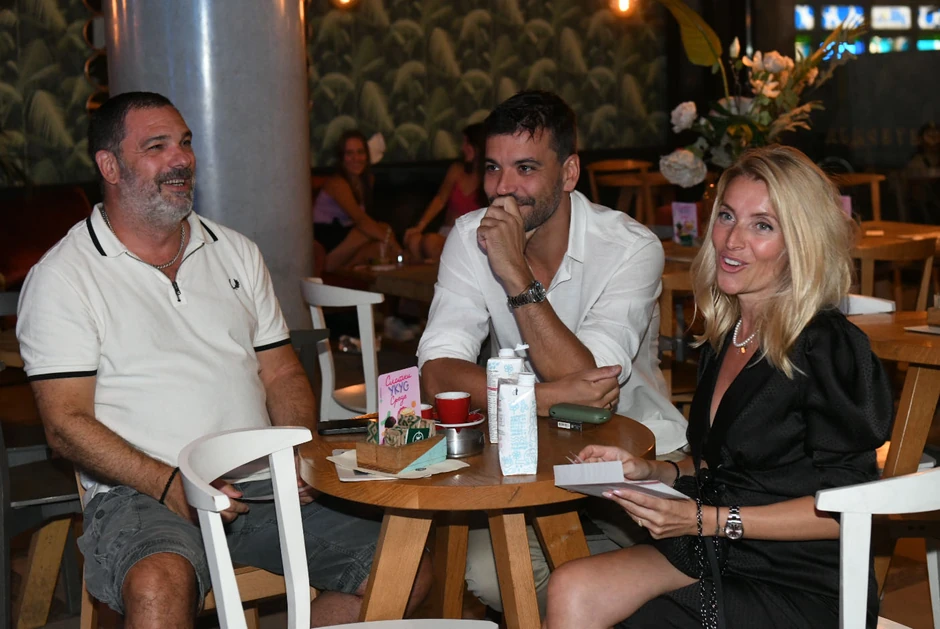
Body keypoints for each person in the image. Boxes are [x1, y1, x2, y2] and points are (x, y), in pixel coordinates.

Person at [16, 92, 430, 629]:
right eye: (157, 146)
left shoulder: (235, 251)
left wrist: (298, 453)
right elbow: (64, 424)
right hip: (143, 494)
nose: (181, 159)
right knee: (157, 583)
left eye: (185, 143)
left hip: (260, 483)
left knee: (405, 566)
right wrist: (170, 484)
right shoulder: (65, 276)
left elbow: (281, 372)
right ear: (109, 166)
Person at [542, 145, 894, 629]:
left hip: (802, 580)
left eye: (762, 226)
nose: (732, 240)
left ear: (801, 242)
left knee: (645, 618)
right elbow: (728, 462)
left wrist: (705, 519)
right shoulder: (728, 333)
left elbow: (847, 509)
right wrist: (655, 470)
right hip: (721, 549)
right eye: (727, 216)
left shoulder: (827, 346)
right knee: (572, 587)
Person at [416, 90, 688, 614]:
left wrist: (515, 274)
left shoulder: (631, 246)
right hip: (524, 455)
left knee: (686, 567)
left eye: (525, 168)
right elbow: (437, 373)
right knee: (490, 577)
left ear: (568, 173)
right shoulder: (470, 237)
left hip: (636, 451)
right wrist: (540, 398)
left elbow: (591, 385)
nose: (503, 188)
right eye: (493, 168)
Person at [313, 129, 401, 271]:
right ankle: (329, 267)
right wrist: (393, 243)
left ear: (366, 155)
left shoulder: (367, 181)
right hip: (327, 240)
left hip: (348, 236)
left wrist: (386, 238)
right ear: (341, 158)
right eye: (349, 153)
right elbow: (361, 220)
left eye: (360, 152)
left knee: (380, 240)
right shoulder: (336, 183)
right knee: (370, 231)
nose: (356, 158)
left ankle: (350, 269)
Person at [403, 123, 486, 261]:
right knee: (414, 241)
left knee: (430, 242)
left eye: (467, 143)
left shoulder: (489, 178)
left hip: (471, 238)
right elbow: (440, 200)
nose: (462, 148)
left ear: (479, 147)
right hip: (446, 233)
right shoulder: (456, 170)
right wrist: (419, 227)